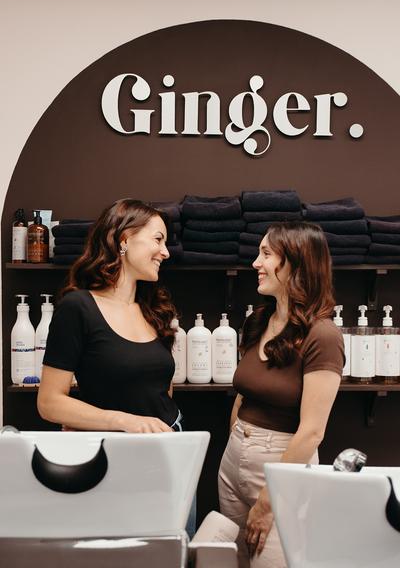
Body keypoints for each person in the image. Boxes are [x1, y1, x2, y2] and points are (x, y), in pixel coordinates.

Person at [37, 198, 196, 533]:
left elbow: (160, 390)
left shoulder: (153, 310)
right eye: (158, 239)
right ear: (124, 240)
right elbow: (49, 402)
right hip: (115, 459)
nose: (165, 252)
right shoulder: (78, 307)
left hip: (171, 450)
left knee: (175, 548)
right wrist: (122, 421)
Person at [218, 222, 344, 568]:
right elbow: (243, 394)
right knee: (234, 561)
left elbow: (312, 431)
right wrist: (238, 440)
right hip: (234, 459)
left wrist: (268, 501)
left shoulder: (323, 335)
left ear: (296, 263)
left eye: (266, 254)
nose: (255, 263)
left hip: (282, 466)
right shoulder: (259, 321)